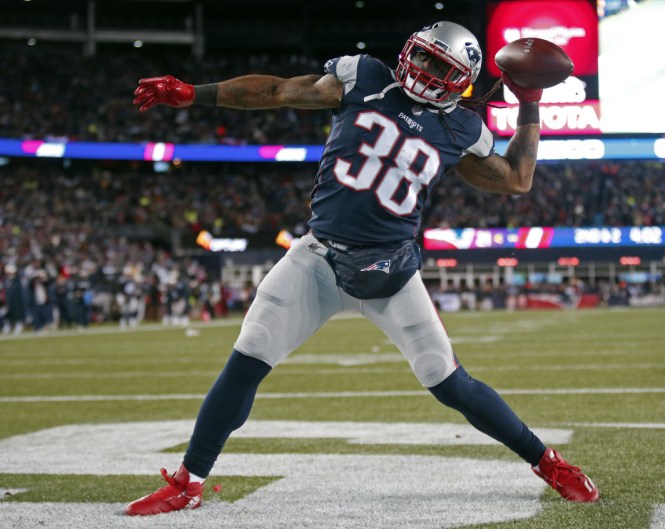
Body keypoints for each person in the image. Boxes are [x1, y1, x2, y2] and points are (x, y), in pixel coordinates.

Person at [126, 21, 600, 516]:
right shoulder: (365, 78)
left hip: (390, 272)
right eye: (422, 56)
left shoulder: (462, 128)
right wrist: (195, 94)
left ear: (461, 79)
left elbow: (517, 180)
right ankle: (188, 480)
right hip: (318, 257)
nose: (423, 69)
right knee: (247, 357)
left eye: (440, 66)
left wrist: (529, 102)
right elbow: (279, 90)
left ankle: (549, 463)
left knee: (447, 379)